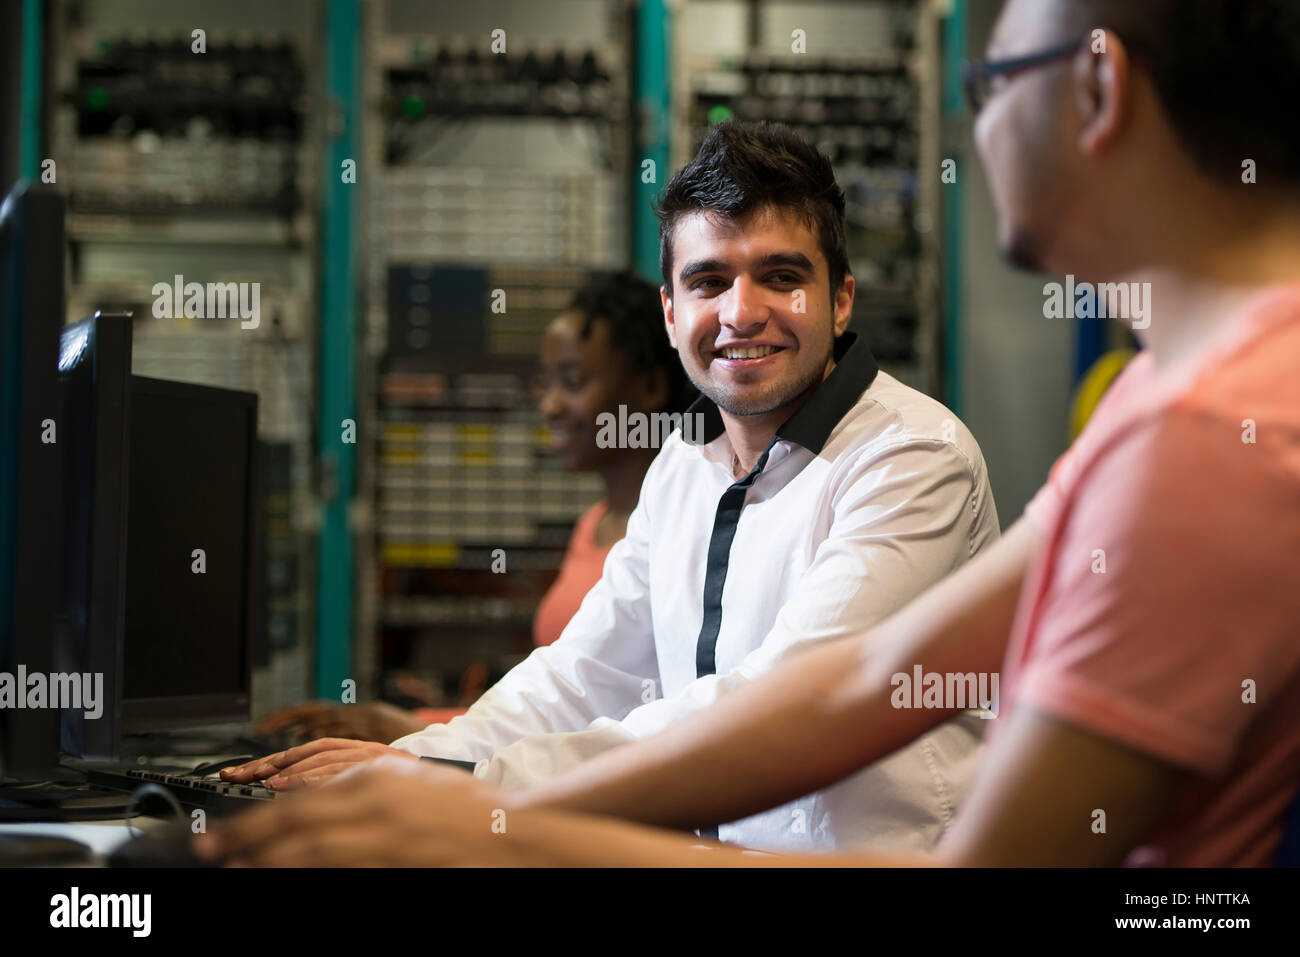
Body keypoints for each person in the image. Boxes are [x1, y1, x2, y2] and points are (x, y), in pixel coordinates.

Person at [198, 0, 1300, 867]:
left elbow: (949, 830)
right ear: (670, 306)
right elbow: (852, 677)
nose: (978, 122)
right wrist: (444, 762)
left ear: (1097, 89)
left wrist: (492, 817)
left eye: (989, 81)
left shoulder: (1188, 432)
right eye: (709, 280)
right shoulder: (1162, 409)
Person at [218, 118, 1001, 855]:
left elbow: (788, 698)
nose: (741, 312)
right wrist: (418, 756)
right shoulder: (681, 469)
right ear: (670, 311)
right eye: (708, 280)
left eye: (781, 276)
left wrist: (464, 782)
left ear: (840, 299)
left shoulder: (911, 455)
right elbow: (584, 674)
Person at [255, 271, 696, 744]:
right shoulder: (594, 524)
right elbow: (561, 704)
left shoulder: (685, 531)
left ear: (650, 387)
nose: (548, 405)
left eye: (572, 381)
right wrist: (422, 725)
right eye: (544, 383)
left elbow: (629, 719)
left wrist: (417, 730)